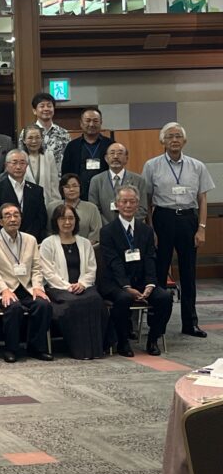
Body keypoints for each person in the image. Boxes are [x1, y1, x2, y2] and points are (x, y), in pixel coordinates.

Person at [142, 122, 214, 338]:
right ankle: (157, 323)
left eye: (178, 136)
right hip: (162, 218)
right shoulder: (152, 165)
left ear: (184, 140)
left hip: (188, 220)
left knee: (188, 273)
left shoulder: (197, 166)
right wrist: (151, 229)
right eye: (170, 136)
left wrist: (201, 228)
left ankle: (190, 323)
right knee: (159, 272)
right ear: (162, 141)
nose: (174, 140)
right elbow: (146, 199)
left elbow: (202, 199)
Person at [98, 185, 173, 356]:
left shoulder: (146, 230)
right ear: (117, 204)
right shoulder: (107, 231)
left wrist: (150, 284)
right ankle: (122, 341)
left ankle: (153, 339)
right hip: (115, 283)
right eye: (124, 201)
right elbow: (113, 262)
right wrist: (126, 286)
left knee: (164, 298)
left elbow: (150, 259)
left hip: (141, 282)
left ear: (138, 204)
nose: (128, 205)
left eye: (132, 202)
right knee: (123, 298)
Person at [0, 203, 52, 363]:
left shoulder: (30, 240)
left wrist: (38, 287)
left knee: (43, 305)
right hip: (3, 289)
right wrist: (4, 290)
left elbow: (37, 268)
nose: (13, 219)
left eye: (16, 215)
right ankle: (11, 349)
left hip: (27, 288)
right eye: (8, 216)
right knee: (14, 307)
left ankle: (36, 348)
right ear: (0, 221)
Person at [39, 204, 106, 360]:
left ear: (76, 221)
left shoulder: (85, 243)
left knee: (95, 300)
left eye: (71, 218)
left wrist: (82, 284)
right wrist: (68, 286)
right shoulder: (48, 243)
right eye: (63, 218)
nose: (67, 222)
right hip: (58, 288)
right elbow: (47, 272)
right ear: (56, 221)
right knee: (74, 303)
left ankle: (95, 349)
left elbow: (91, 269)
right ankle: (79, 350)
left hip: (83, 286)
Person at [0, 149, 48, 240]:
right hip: (4, 239)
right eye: (14, 163)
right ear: (6, 165)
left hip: (31, 239)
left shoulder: (37, 190)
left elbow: (41, 218)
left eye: (22, 163)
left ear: (27, 166)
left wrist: (28, 237)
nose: (18, 167)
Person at [88, 142, 149, 225]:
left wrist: (125, 224)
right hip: (105, 228)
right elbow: (94, 209)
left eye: (120, 153)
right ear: (106, 158)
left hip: (132, 227)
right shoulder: (96, 180)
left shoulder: (139, 180)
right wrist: (110, 227)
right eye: (112, 153)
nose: (115, 156)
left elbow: (143, 208)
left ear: (126, 158)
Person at [60, 107, 113, 199]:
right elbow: (66, 174)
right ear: (81, 123)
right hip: (79, 195)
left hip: (105, 193)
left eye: (95, 121)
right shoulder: (72, 146)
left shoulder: (110, 145)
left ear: (101, 123)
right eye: (88, 121)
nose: (91, 124)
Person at [18, 92, 69, 172]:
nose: (46, 109)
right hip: (33, 175)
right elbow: (21, 156)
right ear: (34, 111)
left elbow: (68, 158)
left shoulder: (63, 133)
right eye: (42, 106)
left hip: (58, 176)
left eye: (49, 106)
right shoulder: (26, 132)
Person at [47, 173, 102, 246]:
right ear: (61, 189)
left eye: (75, 186)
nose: (71, 189)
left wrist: (83, 247)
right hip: (56, 247)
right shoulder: (52, 207)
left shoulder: (91, 208)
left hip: (86, 248)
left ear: (80, 187)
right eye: (67, 187)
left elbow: (96, 232)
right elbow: (49, 230)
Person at [19, 123, 59, 207]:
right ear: (24, 140)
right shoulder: (19, 158)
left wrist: (56, 204)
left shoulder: (48, 156)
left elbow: (54, 184)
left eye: (37, 137)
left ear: (42, 139)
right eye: (30, 138)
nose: (34, 141)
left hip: (46, 203)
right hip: (25, 204)